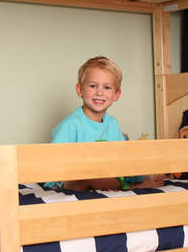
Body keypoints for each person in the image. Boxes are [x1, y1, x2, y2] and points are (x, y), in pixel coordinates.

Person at [44, 56, 164, 192]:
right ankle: (132, 187)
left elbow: (119, 157)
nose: (99, 92)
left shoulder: (112, 124)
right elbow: (55, 165)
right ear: (80, 90)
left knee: (139, 170)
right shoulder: (70, 125)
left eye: (107, 87)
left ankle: (119, 183)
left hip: (103, 174)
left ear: (116, 95)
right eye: (93, 86)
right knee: (91, 175)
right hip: (64, 182)